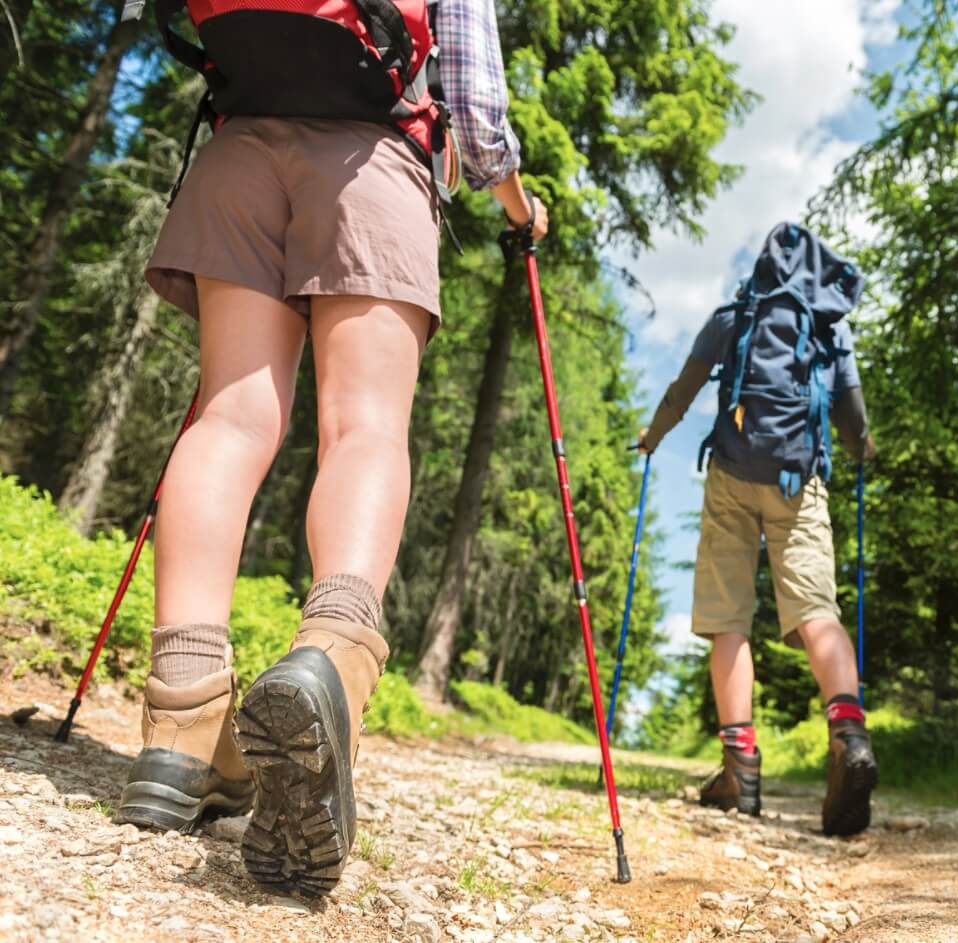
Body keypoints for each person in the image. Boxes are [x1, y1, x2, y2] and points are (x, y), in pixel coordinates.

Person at [112, 0, 547, 897]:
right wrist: (518, 206)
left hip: (239, 149)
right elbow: (472, 96)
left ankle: (180, 724)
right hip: (370, 158)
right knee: (364, 425)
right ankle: (333, 662)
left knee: (229, 419)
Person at [638, 222, 878, 837]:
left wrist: (653, 437)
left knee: (729, 617)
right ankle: (848, 732)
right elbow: (851, 419)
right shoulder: (829, 327)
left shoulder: (732, 317)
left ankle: (739, 768)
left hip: (732, 478)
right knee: (816, 610)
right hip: (802, 483)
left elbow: (684, 390)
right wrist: (862, 450)